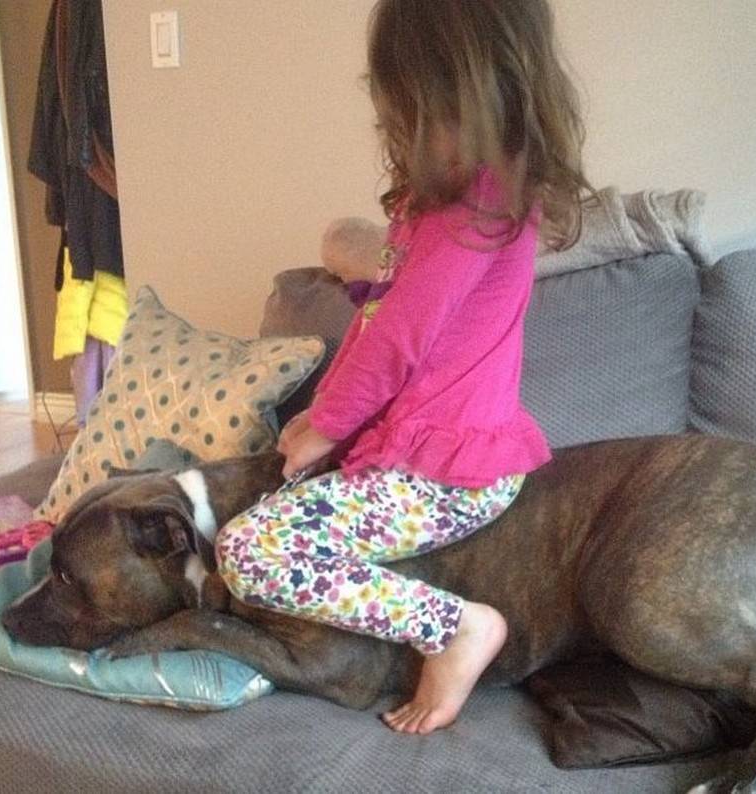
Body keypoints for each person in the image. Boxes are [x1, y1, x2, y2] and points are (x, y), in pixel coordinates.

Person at [215, 0, 590, 735]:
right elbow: (376, 321)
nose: (396, 124)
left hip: (450, 475)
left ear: (457, 95)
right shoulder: (435, 204)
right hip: (419, 458)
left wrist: (329, 426)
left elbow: (397, 342)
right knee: (260, 510)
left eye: (409, 105)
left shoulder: (479, 208)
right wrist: (321, 418)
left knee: (251, 550)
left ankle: (455, 627)